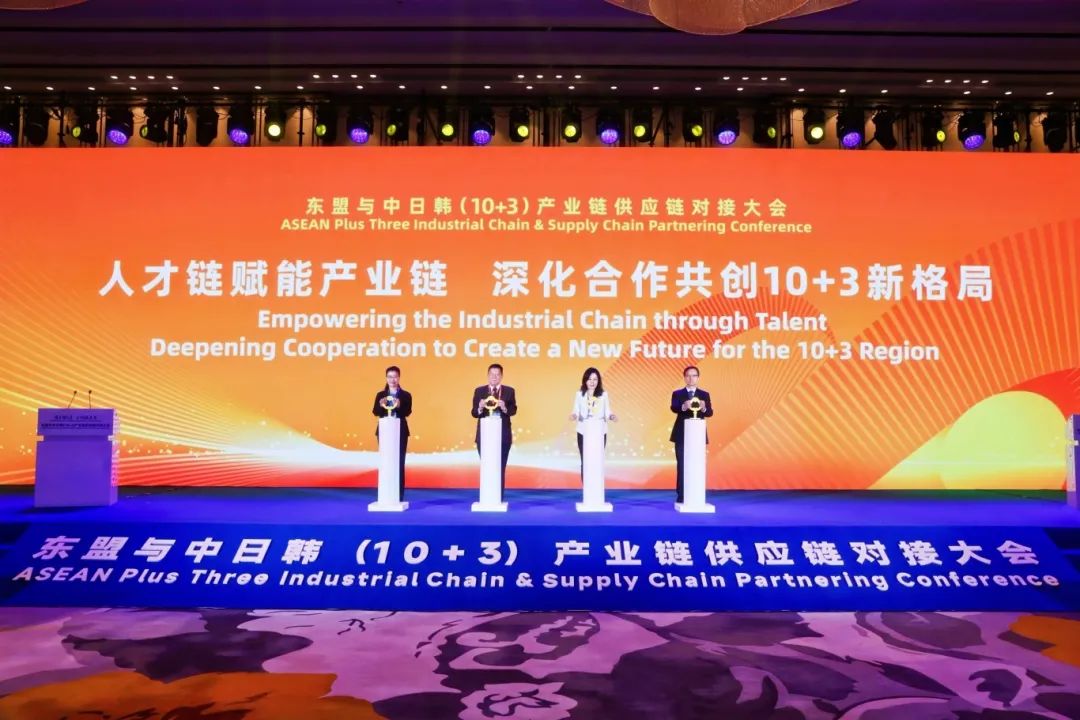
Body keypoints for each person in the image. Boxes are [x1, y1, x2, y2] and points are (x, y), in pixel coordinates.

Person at [470, 363, 517, 501]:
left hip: (503, 436)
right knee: (487, 467)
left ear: (501, 376)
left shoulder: (509, 391)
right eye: (492, 374)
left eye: (497, 374)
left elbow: (513, 410)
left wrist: (504, 408)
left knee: (500, 467)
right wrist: (479, 407)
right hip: (484, 436)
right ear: (488, 375)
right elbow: (474, 413)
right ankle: (487, 498)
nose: (494, 377)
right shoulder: (479, 391)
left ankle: (498, 498)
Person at [669, 365, 713, 504]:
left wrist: (704, 407)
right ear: (684, 377)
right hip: (681, 434)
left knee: (697, 465)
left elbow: (710, 412)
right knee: (682, 464)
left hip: (697, 435)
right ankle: (682, 495)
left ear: (698, 378)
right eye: (688, 375)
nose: (691, 378)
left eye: (694, 375)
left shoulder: (704, 394)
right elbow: (673, 407)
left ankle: (696, 494)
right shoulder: (677, 393)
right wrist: (684, 406)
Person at [372, 365, 412, 499]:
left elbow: (407, 412)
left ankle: (398, 495)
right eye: (389, 377)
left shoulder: (406, 395)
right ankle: (385, 495)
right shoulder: (381, 395)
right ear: (386, 378)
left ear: (399, 378)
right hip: (384, 431)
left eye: (395, 377)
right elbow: (375, 412)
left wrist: (399, 405)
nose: (392, 380)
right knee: (386, 462)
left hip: (400, 431)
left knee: (399, 462)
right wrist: (380, 405)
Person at [569, 367, 616, 479]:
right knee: (585, 461)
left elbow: (607, 411)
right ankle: (586, 487)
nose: (592, 382)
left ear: (598, 381)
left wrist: (611, 416)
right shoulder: (579, 394)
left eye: (595, 379)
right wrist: (574, 415)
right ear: (585, 380)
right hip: (583, 431)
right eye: (590, 379)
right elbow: (576, 410)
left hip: (599, 432)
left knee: (597, 461)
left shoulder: (603, 395)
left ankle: (597, 487)